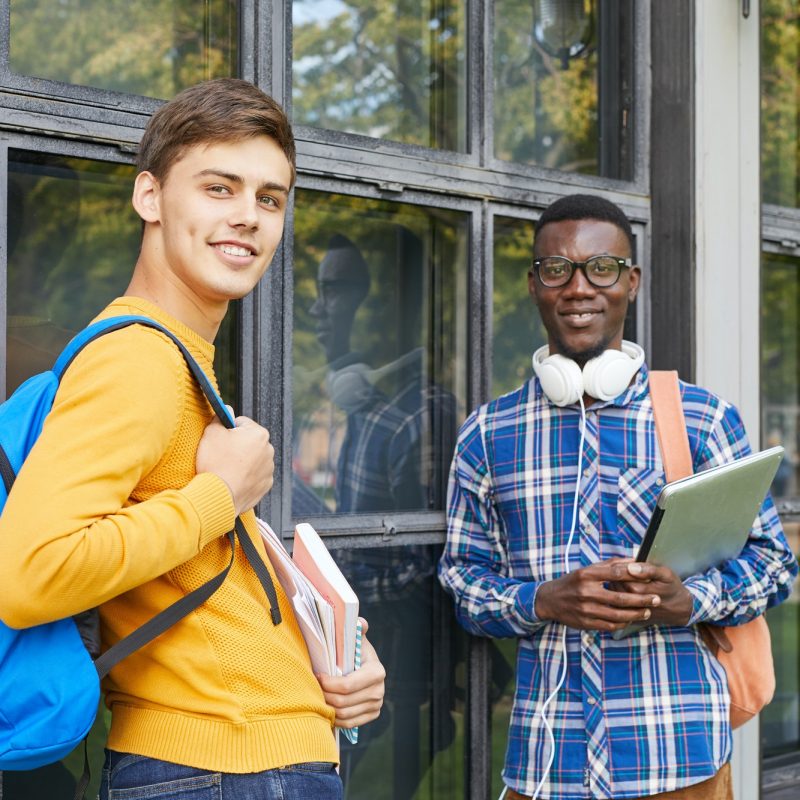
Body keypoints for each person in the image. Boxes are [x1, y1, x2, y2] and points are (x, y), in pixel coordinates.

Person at [0, 78, 385, 800]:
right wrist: (221, 495)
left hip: (245, 759)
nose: (248, 217)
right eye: (218, 187)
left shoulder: (179, 357)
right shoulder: (136, 358)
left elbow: (199, 586)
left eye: (270, 199)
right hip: (219, 769)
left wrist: (333, 657)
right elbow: (29, 576)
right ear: (149, 196)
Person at [438, 193, 798, 800]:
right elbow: (463, 585)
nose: (579, 287)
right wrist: (543, 599)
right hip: (548, 766)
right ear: (534, 285)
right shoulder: (486, 434)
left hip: (681, 762)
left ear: (631, 282)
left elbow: (772, 565)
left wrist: (691, 600)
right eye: (558, 270)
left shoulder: (702, 419)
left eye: (601, 268)